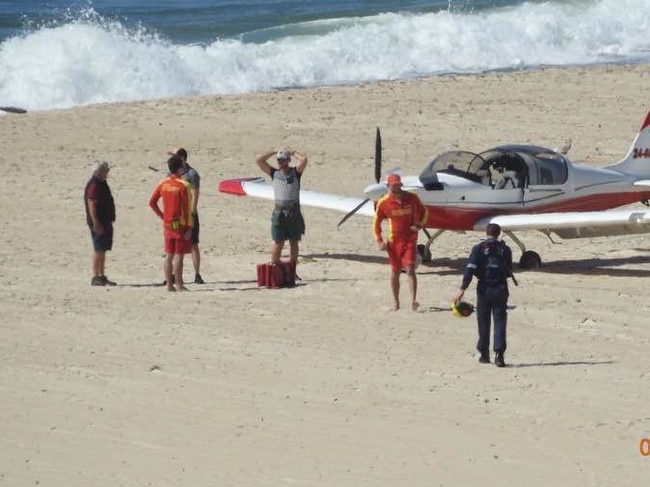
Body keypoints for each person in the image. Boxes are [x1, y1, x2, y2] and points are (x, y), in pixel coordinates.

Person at [453, 223, 515, 367]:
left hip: (484, 289)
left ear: (486, 233)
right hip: (500, 288)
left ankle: (484, 354)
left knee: (483, 321)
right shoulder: (505, 249)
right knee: (500, 321)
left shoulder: (478, 249)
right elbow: (508, 272)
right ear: (499, 234)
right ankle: (499, 354)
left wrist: (462, 288)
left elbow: (470, 269)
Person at [373, 173, 428, 311]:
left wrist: (419, 225)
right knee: (395, 272)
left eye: (398, 185)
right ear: (388, 186)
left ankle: (414, 301)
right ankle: (396, 302)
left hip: (410, 239)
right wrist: (379, 241)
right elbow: (376, 223)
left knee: (410, 270)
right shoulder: (384, 202)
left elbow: (425, 212)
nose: (396, 187)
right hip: (394, 242)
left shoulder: (412, 198)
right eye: (393, 185)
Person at [255, 147, 308, 271]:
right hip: (279, 213)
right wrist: (273, 151)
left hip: (293, 213)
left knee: (294, 242)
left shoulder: (295, 172)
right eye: (279, 160)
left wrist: (293, 152)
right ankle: (274, 269)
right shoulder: (274, 173)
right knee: (278, 242)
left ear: (288, 160)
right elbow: (259, 160)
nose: (280, 162)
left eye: (283, 160)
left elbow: (304, 160)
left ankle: (292, 271)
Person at [149, 156, 194, 292]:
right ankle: (179, 284)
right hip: (180, 224)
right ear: (180, 168)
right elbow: (187, 209)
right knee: (179, 255)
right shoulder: (184, 185)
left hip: (168, 223)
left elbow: (152, 203)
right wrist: (189, 227)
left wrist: (163, 216)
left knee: (169, 254)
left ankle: (169, 285)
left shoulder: (163, 183)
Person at [168, 147, 204, 284]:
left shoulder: (192, 174)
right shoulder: (170, 173)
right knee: (174, 244)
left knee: (193, 243)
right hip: (176, 215)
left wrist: (192, 212)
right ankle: (173, 275)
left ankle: (197, 274)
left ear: (182, 158)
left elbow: (195, 194)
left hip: (188, 214)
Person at [84, 160, 116, 286]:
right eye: (106, 170)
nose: (107, 172)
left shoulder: (101, 183)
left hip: (105, 221)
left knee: (102, 249)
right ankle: (95, 275)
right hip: (99, 222)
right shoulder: (94, 185)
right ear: (99, 172)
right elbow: (91, 203)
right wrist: (96, 222)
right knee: (98, 249)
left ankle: (101, 275)